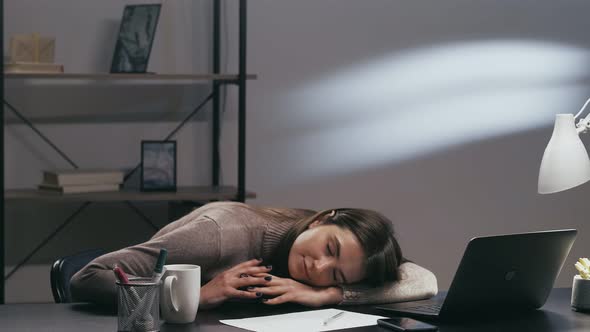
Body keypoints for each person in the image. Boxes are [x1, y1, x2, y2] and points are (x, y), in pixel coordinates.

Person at [70, 202, 437, 309]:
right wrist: (196, 295)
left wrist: (327, 294)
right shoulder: (219, 235)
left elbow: (425, 281)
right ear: (323, 219)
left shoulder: (315, 271)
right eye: (330, 249)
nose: (319, 266)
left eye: (337, 274)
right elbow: (87, 279)